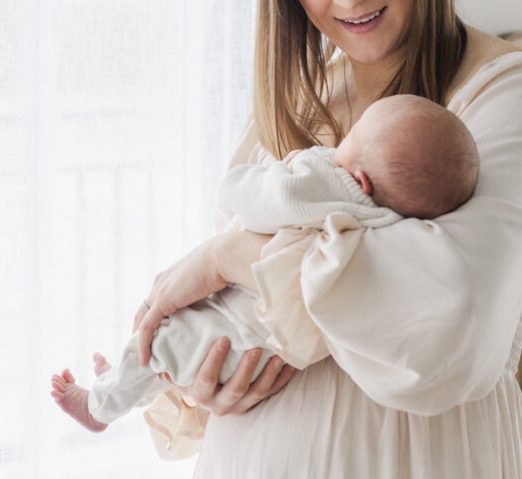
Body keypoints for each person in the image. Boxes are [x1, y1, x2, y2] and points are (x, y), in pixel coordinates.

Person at [130, 0, 522, 478]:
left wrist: (228, 255)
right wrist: (198, 387)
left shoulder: (511, 88)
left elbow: (453, 317)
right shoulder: (290, 111)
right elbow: (227, 313)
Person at [50, 94, 479, 438]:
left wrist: (266, 175)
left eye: (355, 136)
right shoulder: (391, 220)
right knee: (169, 351)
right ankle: (124, 384)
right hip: (263, 346)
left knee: (160, 343)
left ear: (361, 180)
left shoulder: (334, 185)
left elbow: (257, 202)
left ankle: (98, 406)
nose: (341, 144)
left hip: (243, 331)